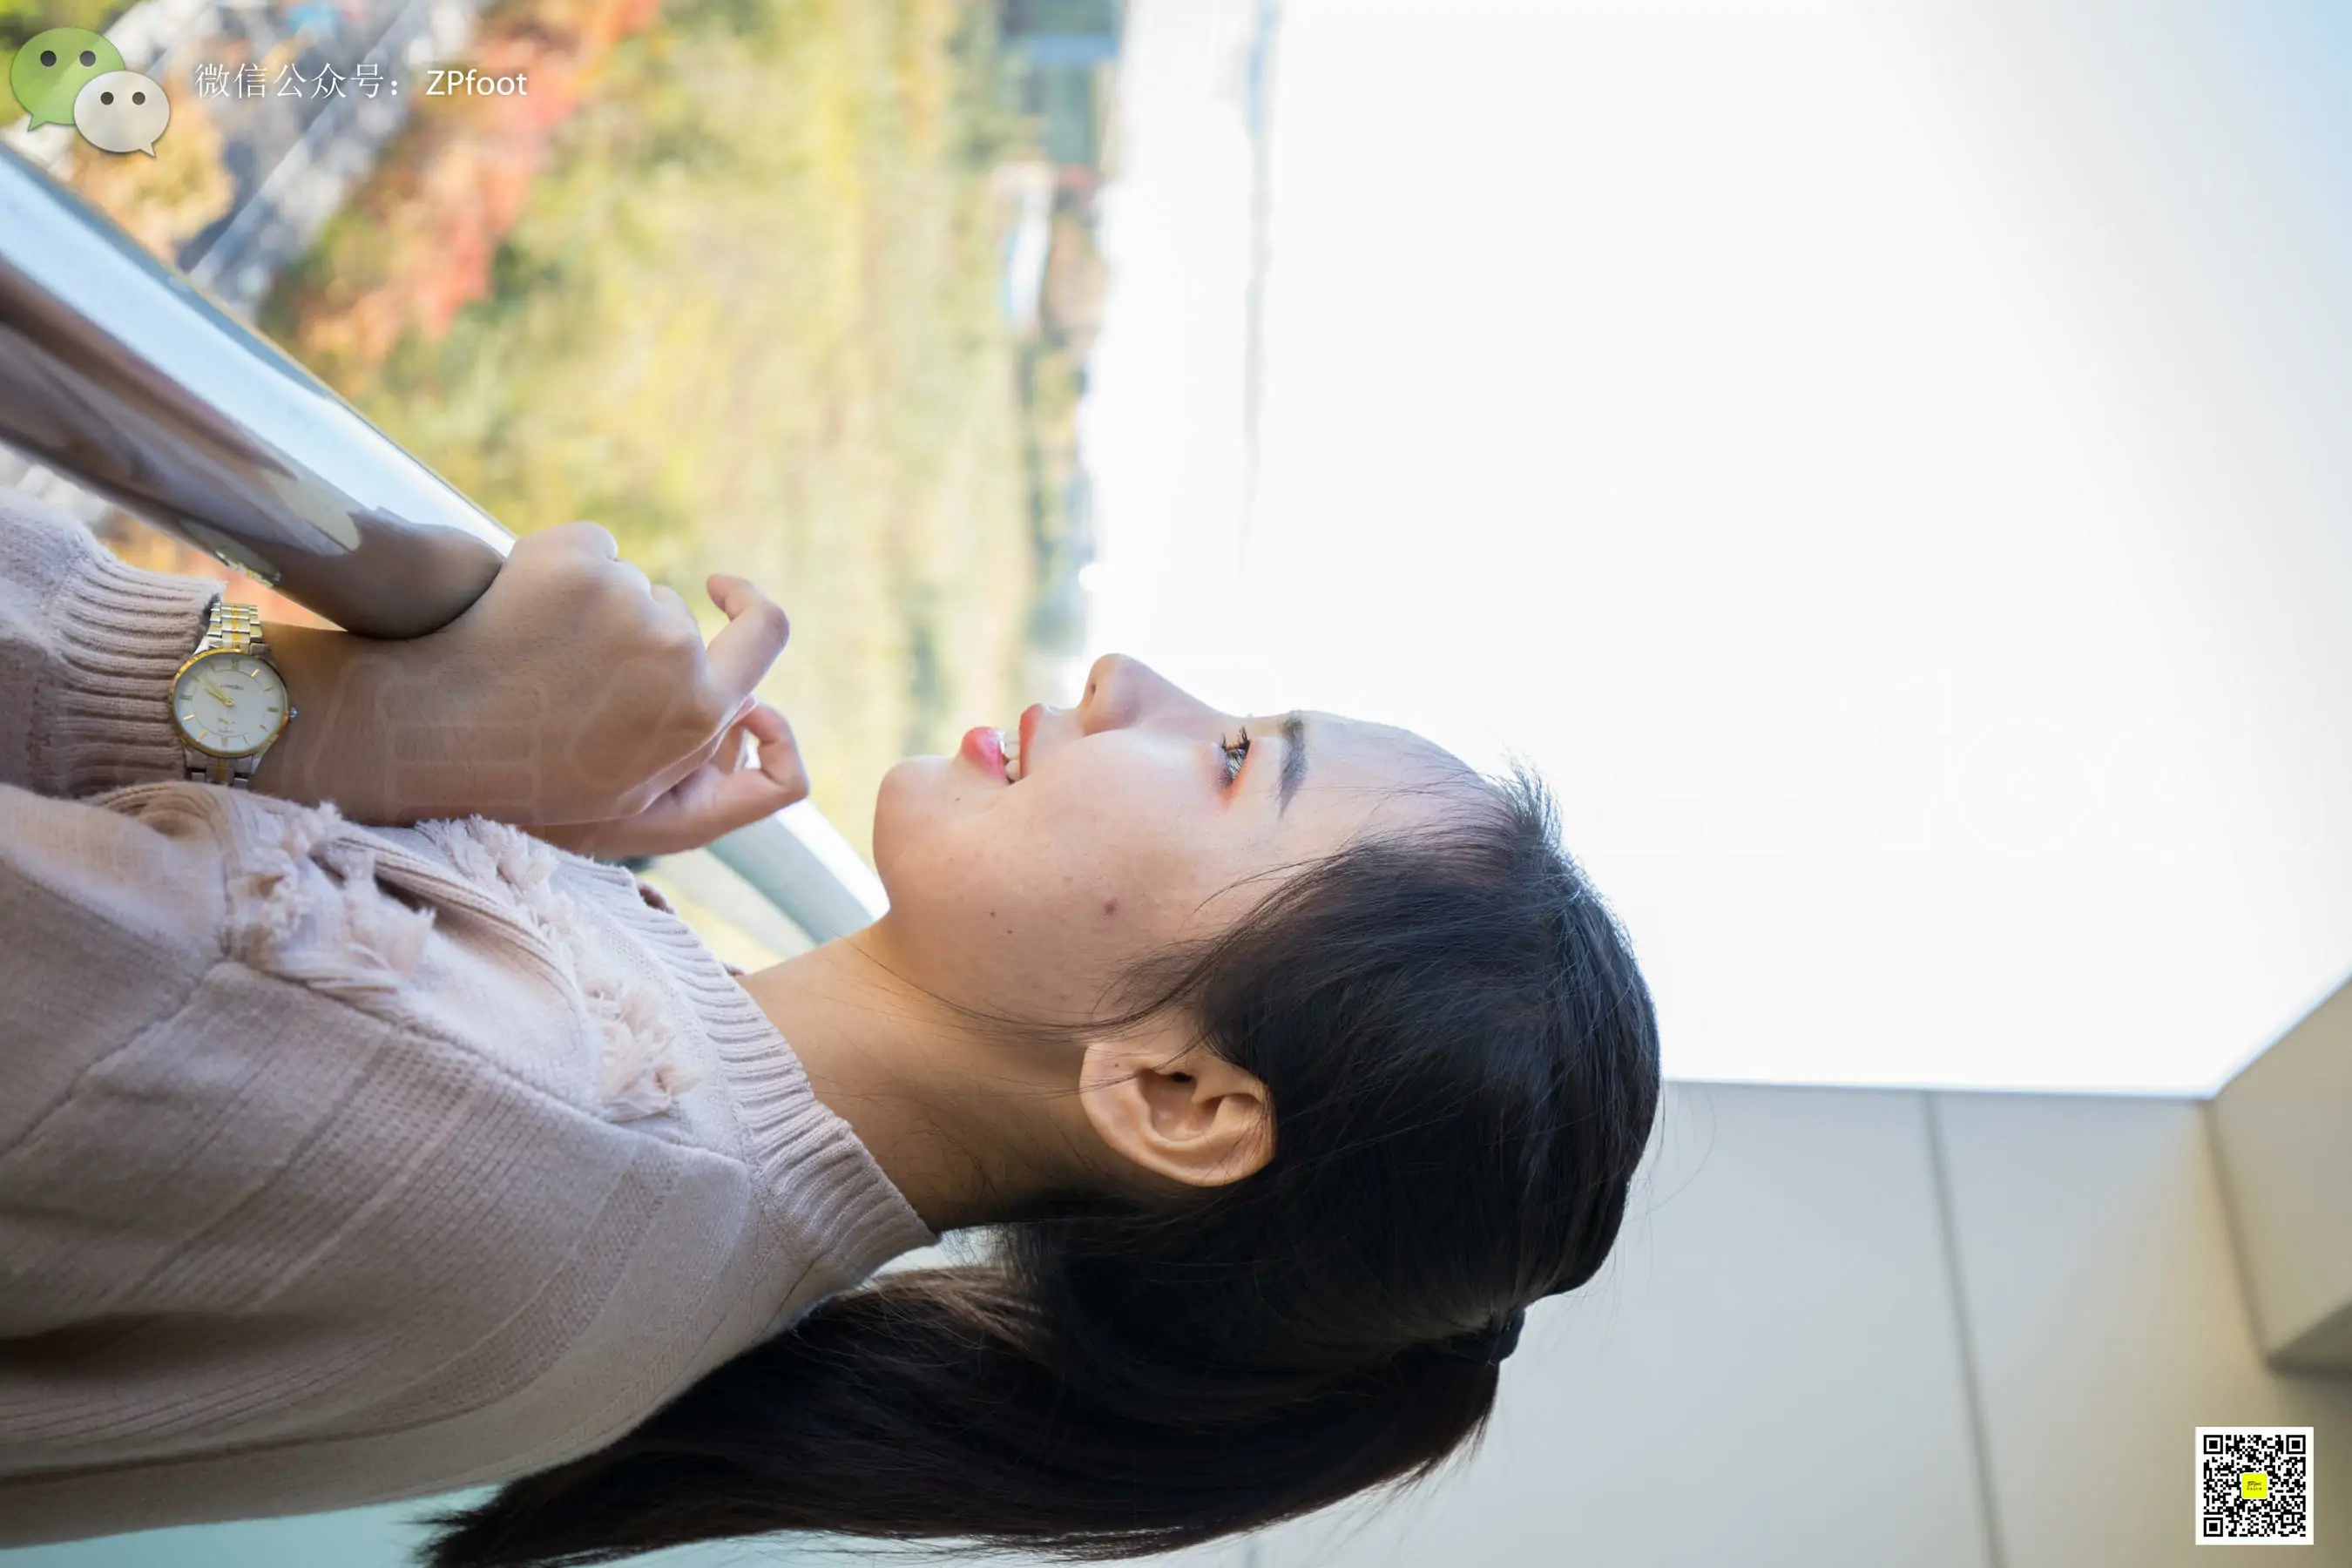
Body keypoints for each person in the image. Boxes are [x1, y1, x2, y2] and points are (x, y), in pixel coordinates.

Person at [0, 488, 1662, 1566]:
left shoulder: (541, 1098)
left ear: (1172, 1093)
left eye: (1235, 763)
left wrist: (362, 711)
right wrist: (451, 788)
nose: (1126, 681)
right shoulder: (634, 1141)